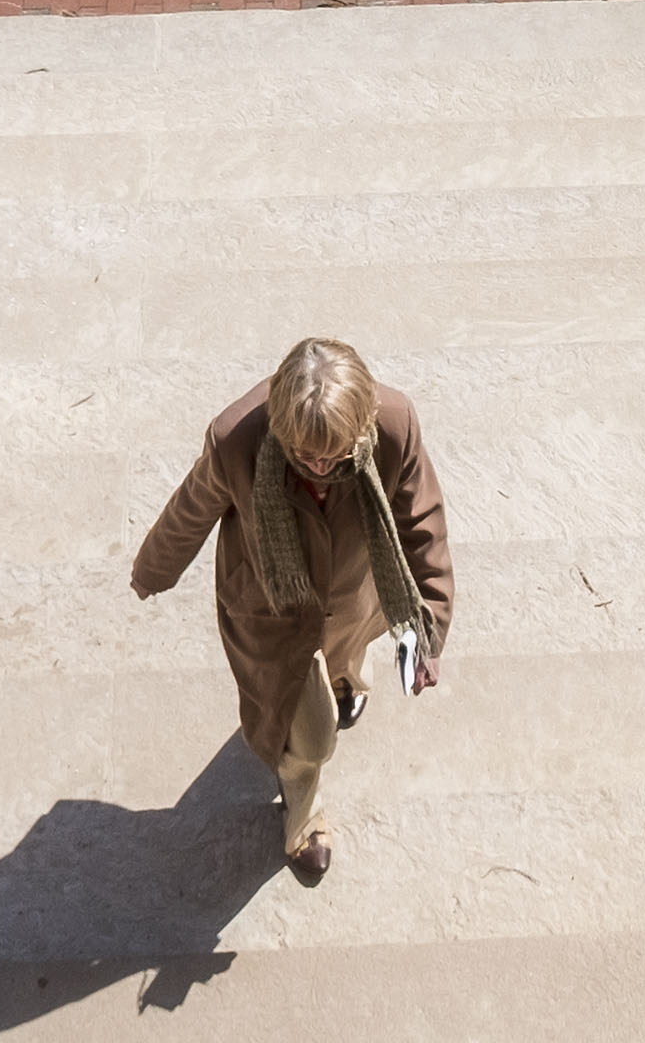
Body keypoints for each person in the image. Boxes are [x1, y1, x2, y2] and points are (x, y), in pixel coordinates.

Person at [130, 336, 454, 883]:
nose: (321, 466)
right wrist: (153, 570)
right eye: (305, 454)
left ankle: (349, 680)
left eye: (336, 455)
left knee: (349, 658)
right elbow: (192, 507)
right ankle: (303, 817)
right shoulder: (238, 438)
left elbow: (423, 525)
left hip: (356, 594)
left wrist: (428, 632)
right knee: (310, 735)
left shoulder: (394, 425)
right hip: (274, 609)